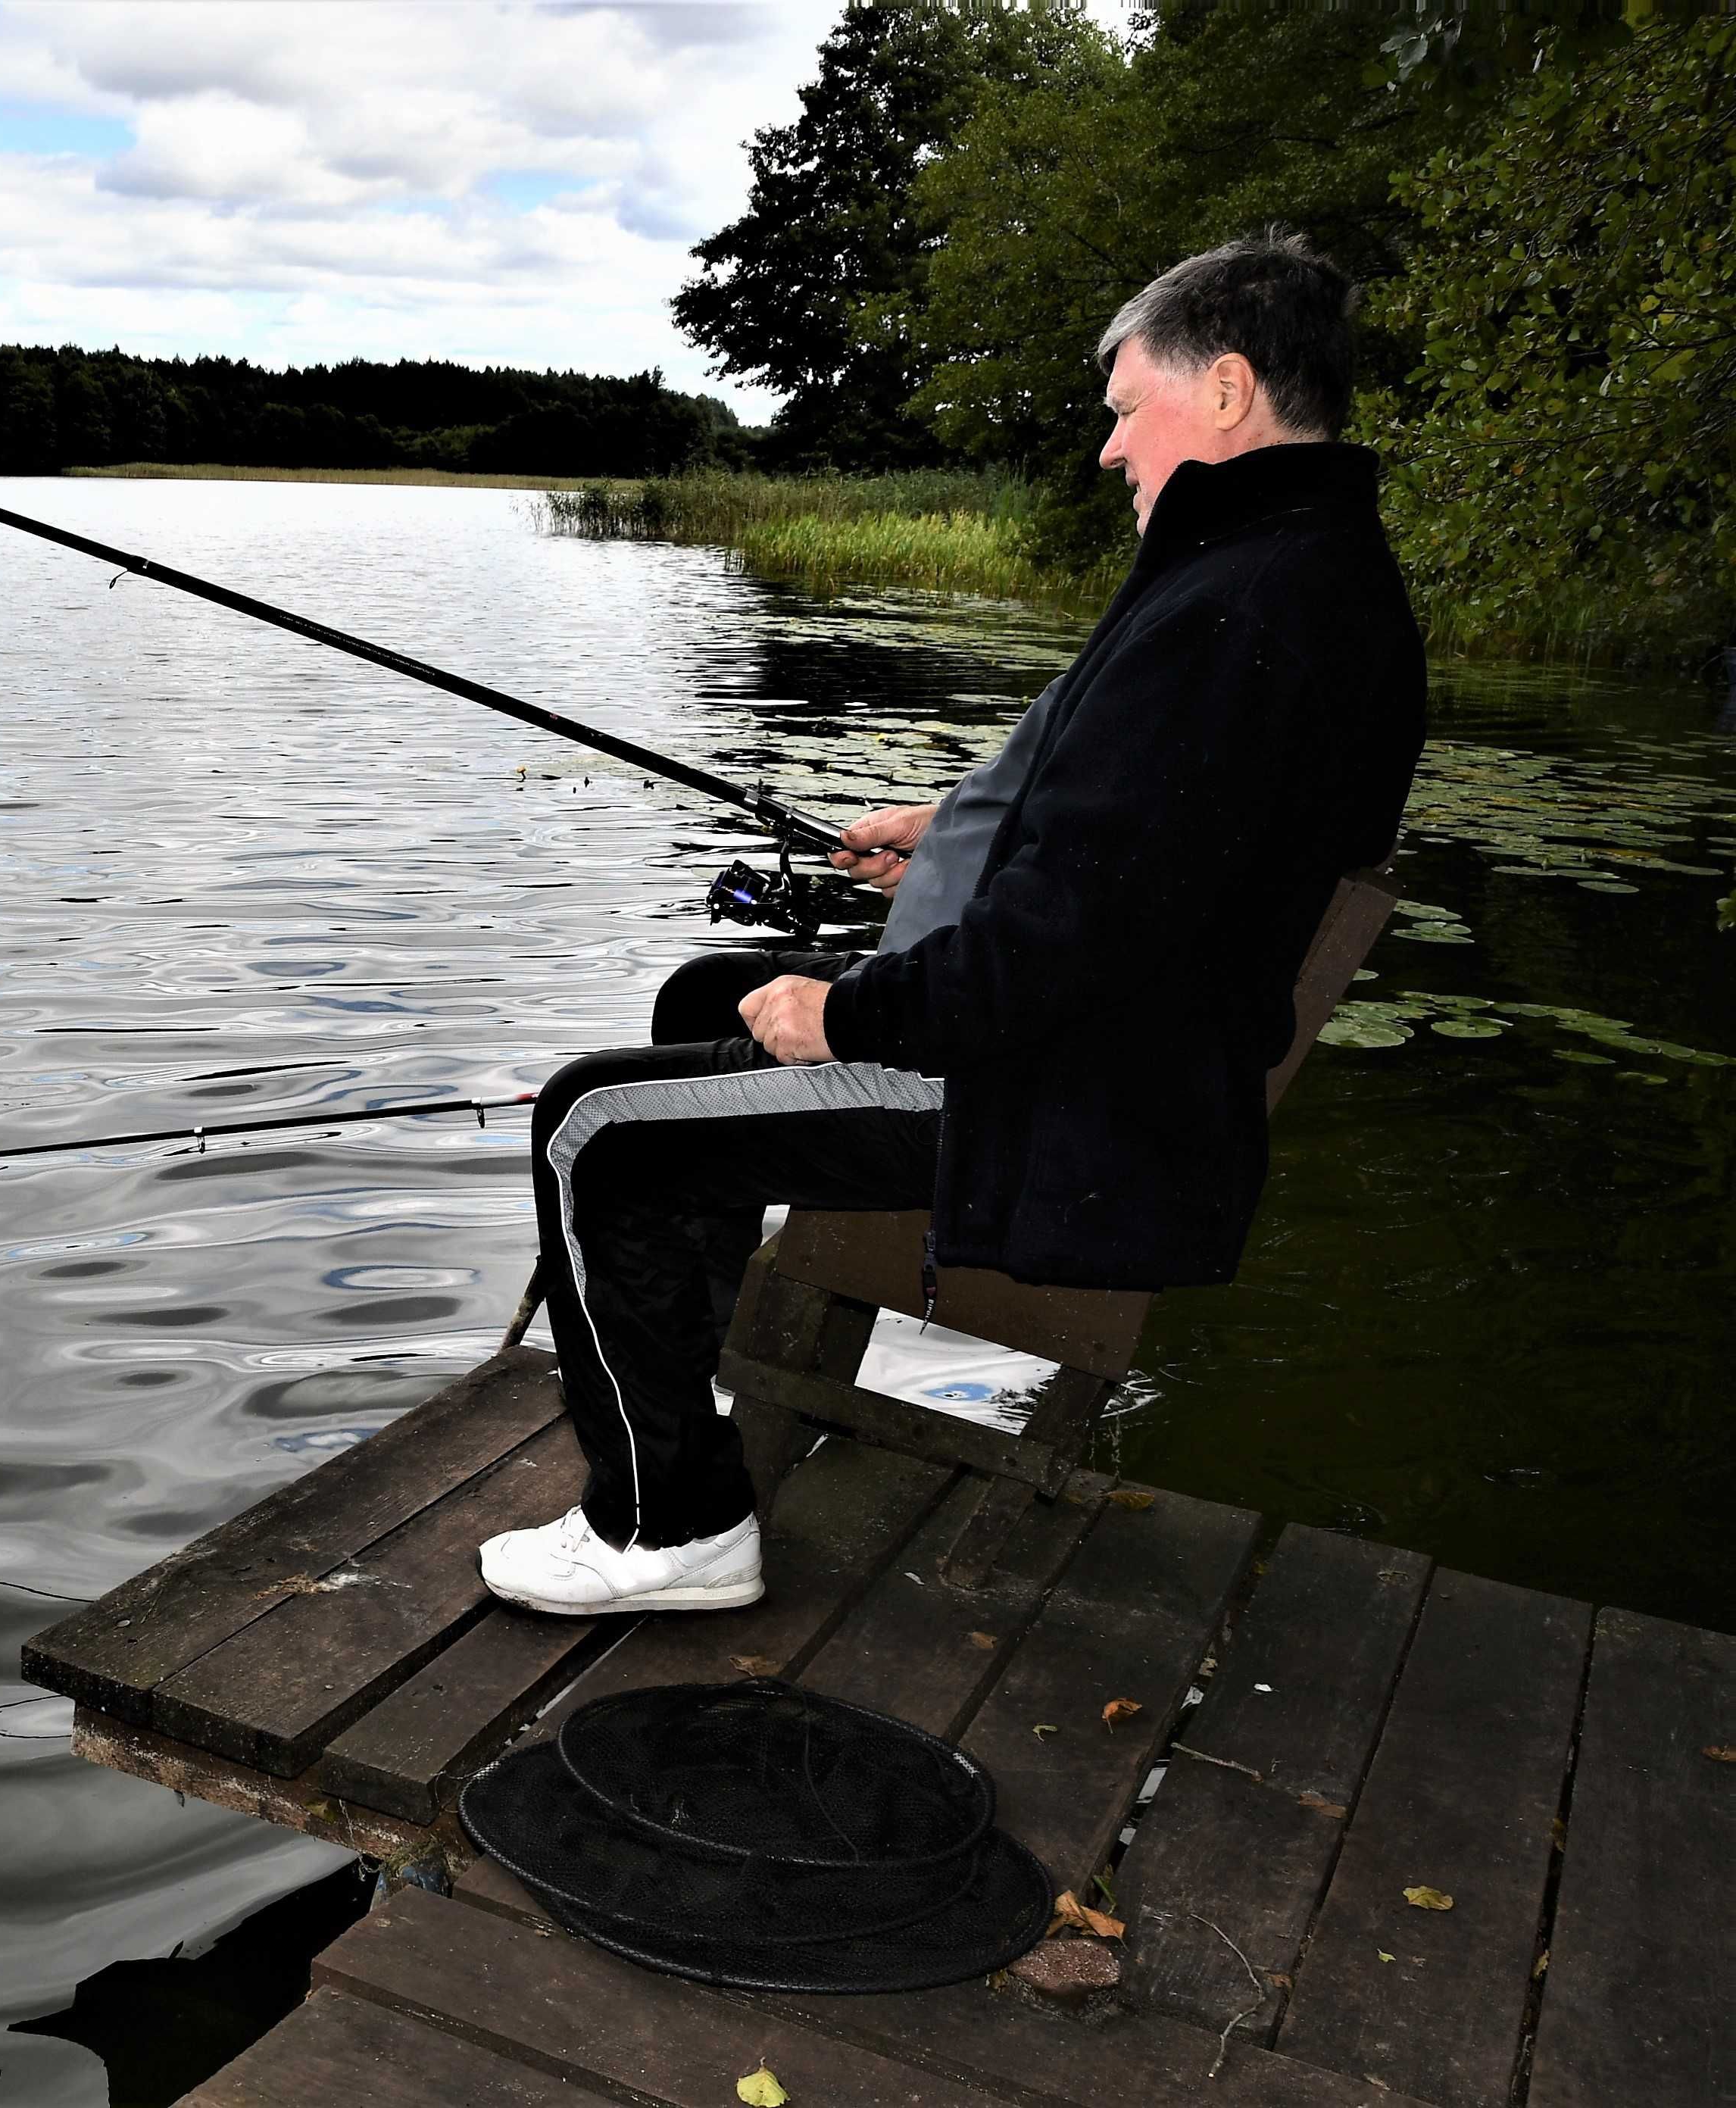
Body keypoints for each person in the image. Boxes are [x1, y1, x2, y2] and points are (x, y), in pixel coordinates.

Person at [479, 231, 1428, 1615]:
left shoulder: (1241, 609)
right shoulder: (1300, 568)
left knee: (588, 1127)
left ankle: (667, 1525)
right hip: (1119, 1052)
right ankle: (675, 1408)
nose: (1111, 450)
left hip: (1060, 1092)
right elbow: (1153, 841)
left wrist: (848, 1012)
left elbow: (1078, 937)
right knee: (704, 997)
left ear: (1225, 393)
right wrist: (956, 834)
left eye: (1125, 409)